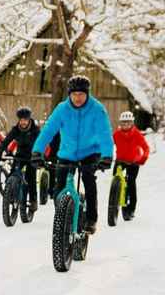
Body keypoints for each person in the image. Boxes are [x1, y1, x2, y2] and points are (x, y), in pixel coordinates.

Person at [33, 75, 114, 233]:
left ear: (87, 94)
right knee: (59, 187)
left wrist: (106, 156)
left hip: (90, 152)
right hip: (67, 153)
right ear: (69, 94)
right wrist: (37, 151)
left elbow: (105, 134)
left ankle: (91, 219)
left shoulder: (97, 109)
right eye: (74, 94)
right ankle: (63, 217)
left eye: (81, 94)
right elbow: (48, 131)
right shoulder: (62, 109)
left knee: (89, 181)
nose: (78, 98)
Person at [0, 107, 41, 210]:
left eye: (25, 120)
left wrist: (39, 156)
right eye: (21, 120)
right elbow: (6, 141)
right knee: (12, 174)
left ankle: (33, 200)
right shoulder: (16, 129)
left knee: (31, 178)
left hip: (32, 156)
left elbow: (40, 144)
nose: (23, 122)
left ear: (29, 119)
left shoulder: (35, 130)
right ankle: (11, 195)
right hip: (20, 155)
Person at [112, 110, 150, 220]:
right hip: (120, 160)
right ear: (120, 124)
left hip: (134, 162)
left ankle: (131, 209)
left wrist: (143, 158)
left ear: (132, 123)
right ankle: (115, 197)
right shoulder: (117, 134)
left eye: (128, 123)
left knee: (131, 183)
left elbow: (146, 148)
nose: (125, 125)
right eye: (123, 123)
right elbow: (108, 144)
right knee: (115, 178)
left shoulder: (137, 134)